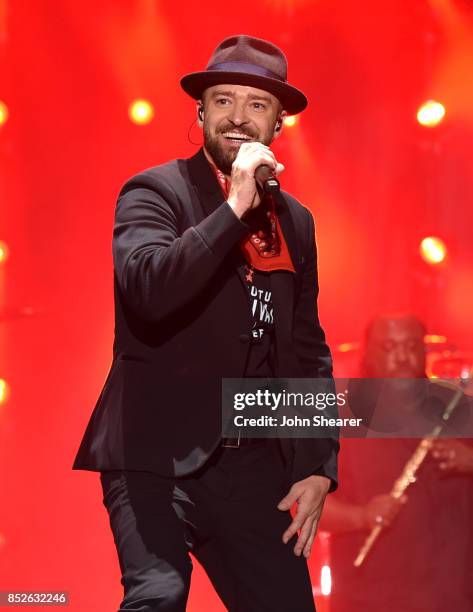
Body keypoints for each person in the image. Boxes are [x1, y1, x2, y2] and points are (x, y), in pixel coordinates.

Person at [73, 35, 338, 612]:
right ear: (200, 112)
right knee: (159, 594)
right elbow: (150, 292)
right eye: (223, 101)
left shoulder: (295, 221)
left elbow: (305, 346)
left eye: (257, 104)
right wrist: (233, 209)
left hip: (249, 463)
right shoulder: (155, 192)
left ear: (279, 125)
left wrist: (318, 463)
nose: (238, 117)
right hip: (155, 454)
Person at [321, 312, 473, 612]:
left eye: (411, 345)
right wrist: (362, 516)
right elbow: (309, 507)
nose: (402, 356)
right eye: (389, 347)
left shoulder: (459, 407)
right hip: (370, 598)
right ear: (368, 353)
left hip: (452, 595)